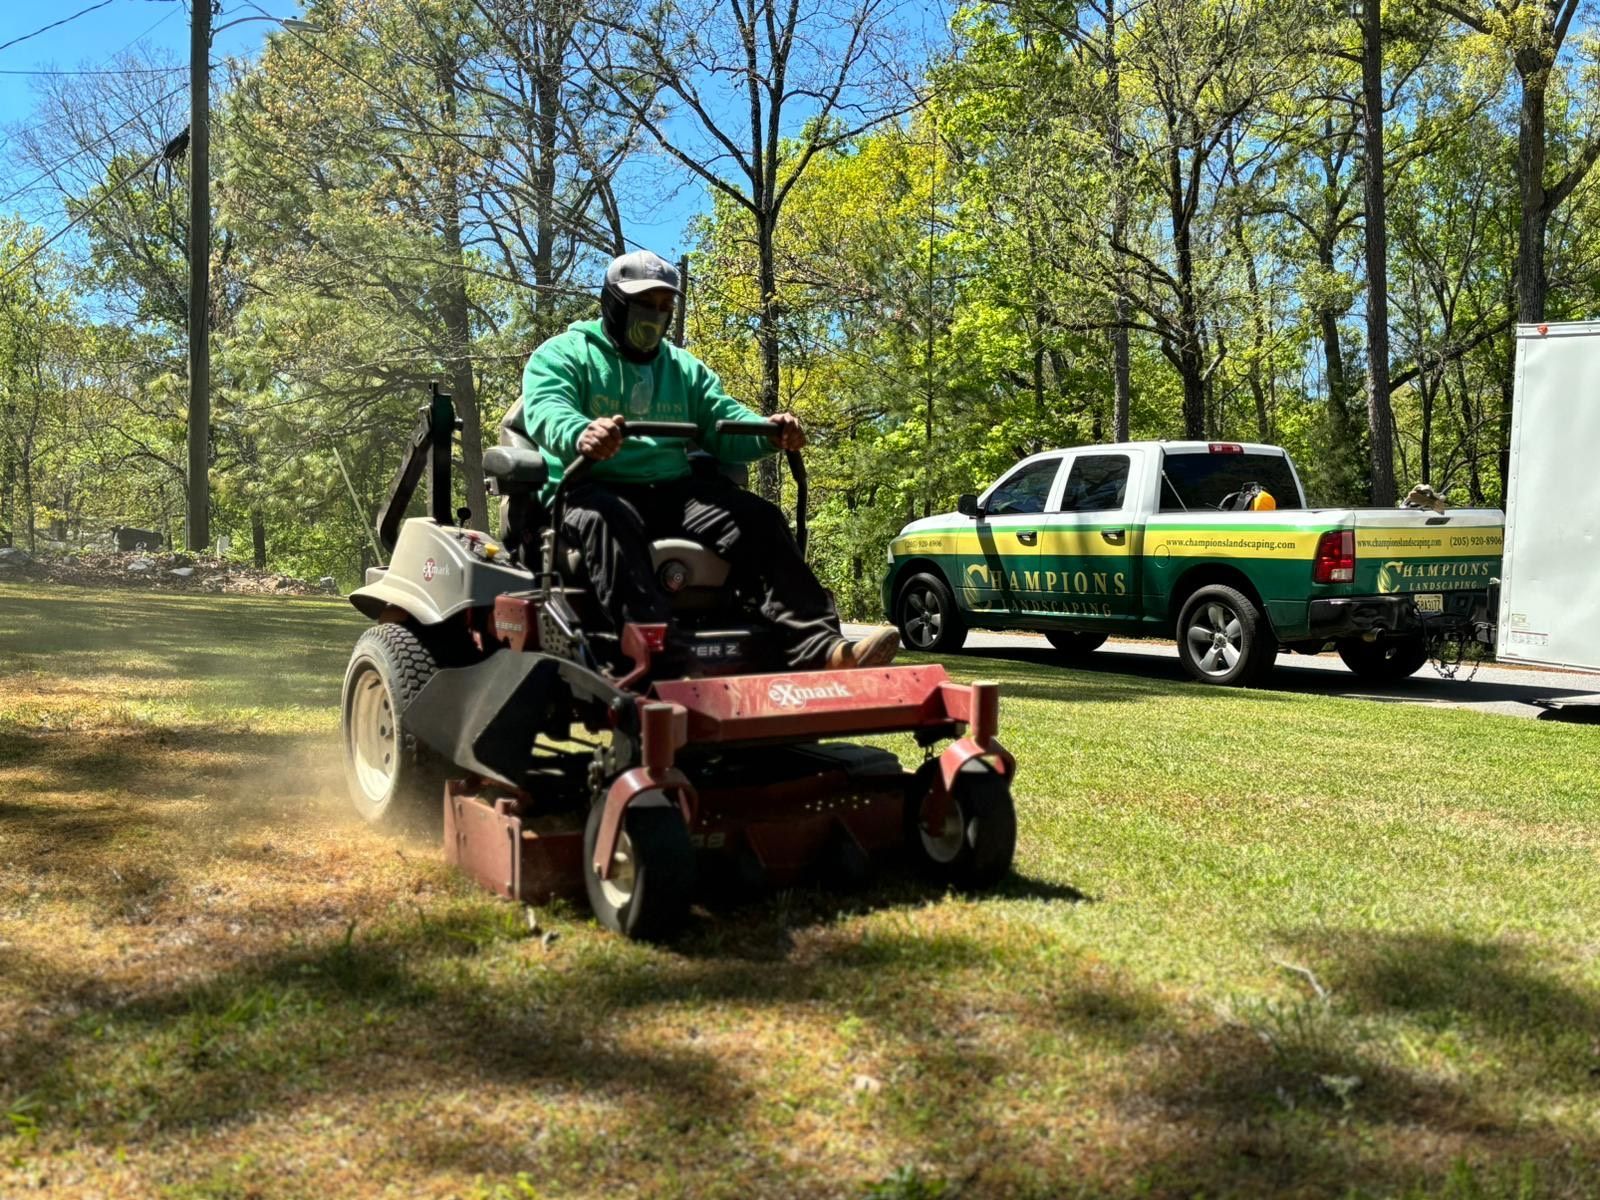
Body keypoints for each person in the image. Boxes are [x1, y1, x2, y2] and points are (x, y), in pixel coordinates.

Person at [521, 250, 898, 673]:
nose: (657, 316)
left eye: (666, 307)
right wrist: (581, 433)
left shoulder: (682, 369)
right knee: (607, 519)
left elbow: (722, 422)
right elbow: (548, 409)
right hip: (590, 486)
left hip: (669, 491)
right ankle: (656, 655)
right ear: (613, 302)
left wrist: (768, 432)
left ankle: (820, 646)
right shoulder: (564, 354)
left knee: (758, 518)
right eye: (646, 304)